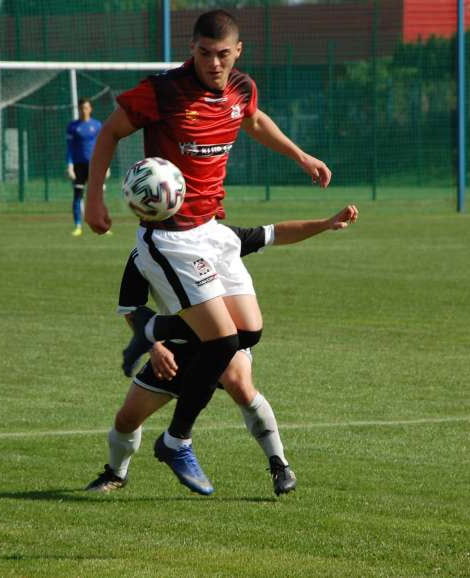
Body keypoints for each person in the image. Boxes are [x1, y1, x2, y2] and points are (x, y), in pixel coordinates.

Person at [85, 9, 331, 495]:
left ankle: (152, 334)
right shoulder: (162, 91)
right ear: (191, 49)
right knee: (221, 344)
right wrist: (94, 195)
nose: (213, 63)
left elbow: (254, 121)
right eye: (204, 53)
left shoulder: (241, 88)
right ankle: (176, 440)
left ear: (237, 52)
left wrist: (300, 155)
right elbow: (111, 131)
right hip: (173, 234)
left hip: (213, 229)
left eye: (222, 54)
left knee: (248, 332)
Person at [86, 206, 358, 496]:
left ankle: (279, 463)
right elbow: (132, 309)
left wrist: (326, 223)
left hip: (224, 341)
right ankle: (115, 474)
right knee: (127, 419)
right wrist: (156, 348)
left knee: (239, 383)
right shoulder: (146, 254)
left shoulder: (220, 236)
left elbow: (275, 233)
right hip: (175, 351)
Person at [66, 98, 102, 237]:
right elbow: (69, 148)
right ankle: (78, 226)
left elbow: (102, 146)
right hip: (78, 166)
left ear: (90, 109)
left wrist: (106, 165)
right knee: (78, 195)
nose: (84, 110)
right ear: (78, 109)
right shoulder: (72, 126)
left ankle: (100, 225)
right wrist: (69, 165)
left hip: (94, 165)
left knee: (97, 197)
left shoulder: (97, 125)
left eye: (86, 107)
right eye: (81, 108)